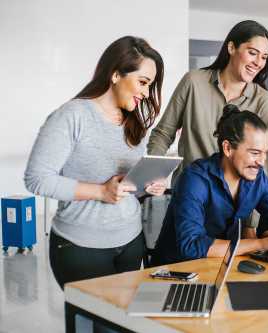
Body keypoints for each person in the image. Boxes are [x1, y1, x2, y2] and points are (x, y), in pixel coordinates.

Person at [24, 36, 167, 288]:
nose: (146, 93)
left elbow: (130, 188)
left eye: (150, 85)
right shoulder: (72, 115)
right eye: (142, 82)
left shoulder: (134, 124)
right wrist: (101, 191)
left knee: (121, 324)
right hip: (81, 247)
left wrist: (149, 185)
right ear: (115, 75)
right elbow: (37, 179)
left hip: (131, 241)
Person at [151, 105, 268, 265]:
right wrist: (261, 244)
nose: (261, 162)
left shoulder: (257, 179)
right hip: (173, 271)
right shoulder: (194, 179)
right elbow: (191, 246)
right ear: (228, 148)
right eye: (255, 153)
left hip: (220, 267)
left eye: (265, 153)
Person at [147, 20, 268, 183]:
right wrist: (152, 176)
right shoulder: (193, 82)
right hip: (189, 192)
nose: (258, 63)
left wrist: (255, 207)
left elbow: (263, 164)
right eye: (252, 52)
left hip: (234, 201)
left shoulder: (263, 100)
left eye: (264, 57)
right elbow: (163, 134)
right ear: (231, 48)